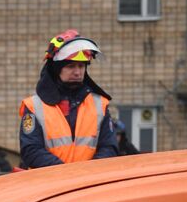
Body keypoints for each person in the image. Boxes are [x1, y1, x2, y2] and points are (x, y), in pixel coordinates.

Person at [19, 29, 118, 168]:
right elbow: (31, 150)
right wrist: (65, 174)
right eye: (71, 66)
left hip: (89, 183)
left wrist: (88, 173)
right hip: (49, 184)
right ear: (56, 69)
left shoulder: (100, 104)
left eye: (81, 66)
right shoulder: (34, 106)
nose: (77, 72)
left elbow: (109, 147)